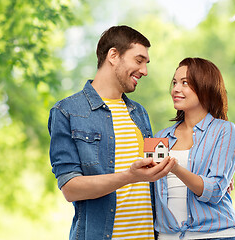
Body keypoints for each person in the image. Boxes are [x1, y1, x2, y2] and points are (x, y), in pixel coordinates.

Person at [48, 25, 176, 240]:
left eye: (146, 63)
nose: (145, 71)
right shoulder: (67, 112)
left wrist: (211, 177)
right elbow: (70, 188)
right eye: (139, 60)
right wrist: (129, 176)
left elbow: (155, 169)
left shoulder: (139, 113)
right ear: (113, 55)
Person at [153, 57, 235, 240]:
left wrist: (175, 167)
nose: (176, 89)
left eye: (185, 83)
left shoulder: (224, 130)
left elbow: (215, 190)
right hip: (168, 235)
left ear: (205, 86)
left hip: (216, 234)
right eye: (175, 82)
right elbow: (149, 185)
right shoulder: (160, 137)